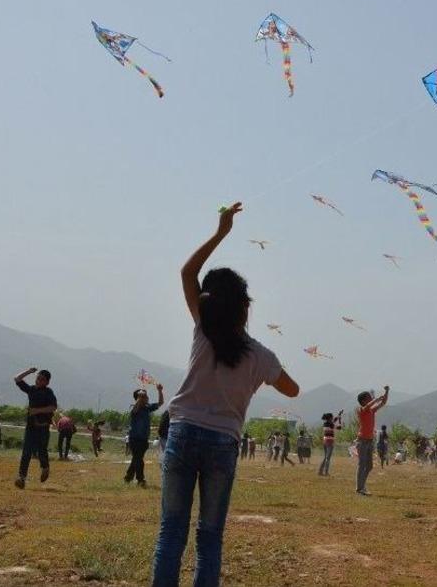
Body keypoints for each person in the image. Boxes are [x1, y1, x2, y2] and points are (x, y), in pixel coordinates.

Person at [152, 202, 300, 587]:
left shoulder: (203, 330)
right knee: (210, 538)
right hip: (223, 443)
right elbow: (293, 389)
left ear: (207, 303)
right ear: (246, 308)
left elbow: (187, 272)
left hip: (182, 433)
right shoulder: (259, 356)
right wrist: (266, 370)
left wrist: (221, 233)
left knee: (171, 533)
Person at [13, 367, 57, 489]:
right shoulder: (31, 390)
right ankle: (21, 478)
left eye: (42, 379)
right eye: (37, 378)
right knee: (26, 452)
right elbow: (17, 379)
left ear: (47, 382)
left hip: (43, 427)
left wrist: (36, 411)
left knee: (41, 451)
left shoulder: (48, 392)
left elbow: (53, 407)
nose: (38, 380)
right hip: (31, 427)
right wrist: (28, 371)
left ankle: (45, 468)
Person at [126, 384, 164, 487]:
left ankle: (128, 478)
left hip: (143, 439)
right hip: (135, 438)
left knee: (136, 459)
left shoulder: (147, 408)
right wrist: (140, 397)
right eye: (144, 396)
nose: (146, 397)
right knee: (138, 459)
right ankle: (140, 480)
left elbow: (160, 403)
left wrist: (160, 390)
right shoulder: (134, 408)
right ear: (138, 398)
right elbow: (135, 409)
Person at [355, 386, 390, 496]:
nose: (371, 399)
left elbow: (383, 403)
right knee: (362, 464)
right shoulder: (361, 410)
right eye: (369, 398)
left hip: (370, 441)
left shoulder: (371, 411)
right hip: (362, 441)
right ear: (364, 401)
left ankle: (362, 486)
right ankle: (360, 488)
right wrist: (376, 399)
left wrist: (386, 392)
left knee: (369, 466)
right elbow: (369, 405)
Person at [319, 411, 342, 476]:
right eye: (332, 417)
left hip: (325, 441)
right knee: (328, 458)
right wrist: (340, 419)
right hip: (330, 441)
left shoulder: (325, 424)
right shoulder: (331, 424)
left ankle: (320, 471)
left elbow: (333, 421)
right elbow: (339, 428)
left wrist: (338, 415)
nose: (332, 418)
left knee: (325, 457)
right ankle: (326, 472)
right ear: (329, 418)